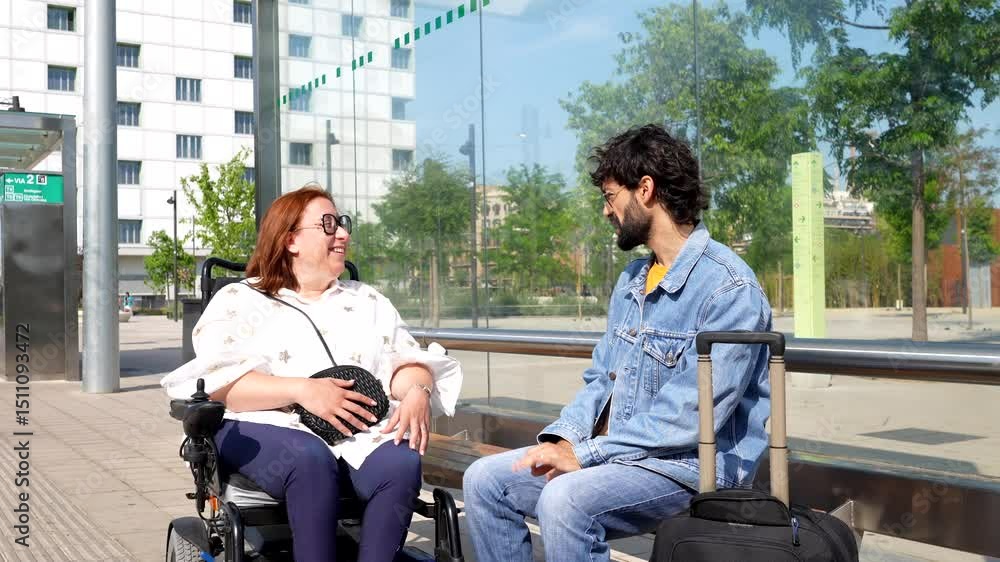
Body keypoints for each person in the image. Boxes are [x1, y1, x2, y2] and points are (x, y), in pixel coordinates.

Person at [462, 124, 773, 562]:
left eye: (610, 197)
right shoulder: (632, 281)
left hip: (693, 469)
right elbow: (600, 381)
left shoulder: (729, 288)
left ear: (645, 189)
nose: (606, 211)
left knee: (565, 501)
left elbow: (691, 415)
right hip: (621, 458)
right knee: (485, 480)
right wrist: (566, 442)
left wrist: (586, 455)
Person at [160, 186, 463, 562]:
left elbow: (402, 363)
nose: (344, 234)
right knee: (309, 458)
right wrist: (303, 391)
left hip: (359, 432)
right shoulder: (241, 301)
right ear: (290, 240)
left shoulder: (366, 300)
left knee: (402, 462)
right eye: (329, 224)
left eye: (342, 223)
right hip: (266, 426)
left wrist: (418, 389)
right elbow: (222, 383)